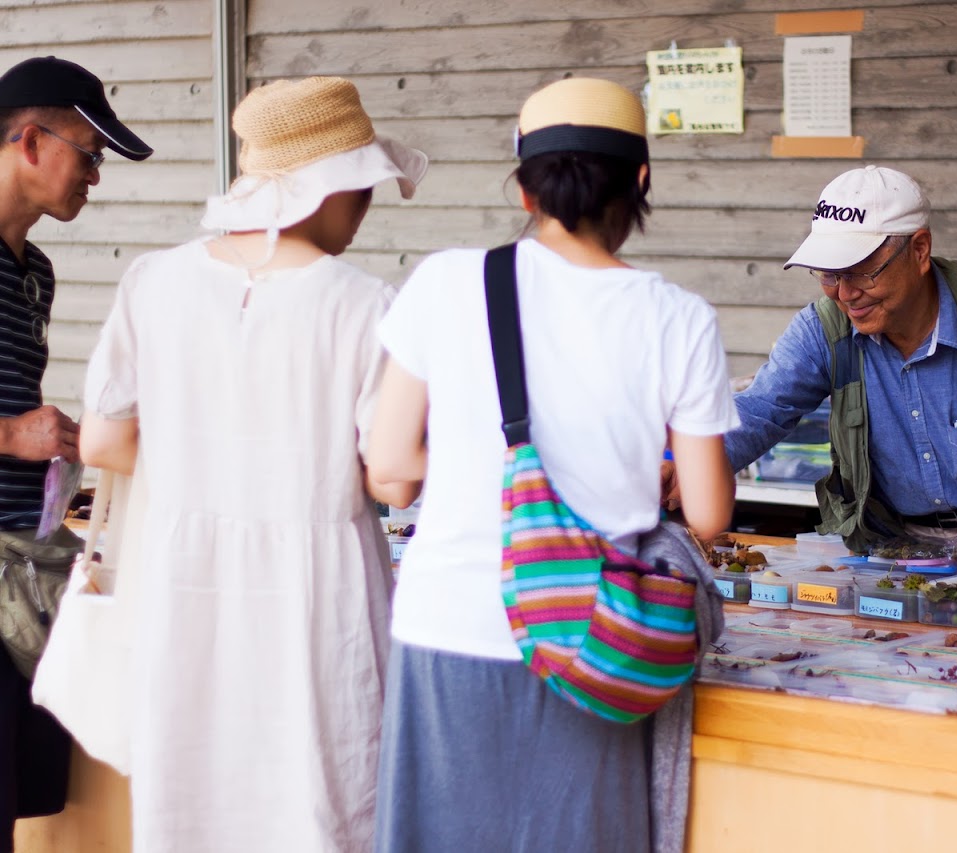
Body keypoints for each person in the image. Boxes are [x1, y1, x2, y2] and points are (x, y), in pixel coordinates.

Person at [365, 77, 737, 852]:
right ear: (640, 182)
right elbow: (707, 514)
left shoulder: (445, 280)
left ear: (525, 186)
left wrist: (475, 459)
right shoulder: (679, 317)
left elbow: (390, 465)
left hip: (447, 629)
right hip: (593, 639)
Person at [78, 76, 426, 852]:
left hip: (184, 586)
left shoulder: (153, 280)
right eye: (363, 185)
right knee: (324, 800)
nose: (367, 207)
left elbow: (101, 442)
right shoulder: (364, 303)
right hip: (319, 598)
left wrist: (207, 461)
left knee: (193, 803)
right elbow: (390, 477)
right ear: (326, 189)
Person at [671, 165, 957, 549]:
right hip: (890, 545)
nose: (845, 294)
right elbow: (761, 409)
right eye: (828, 274)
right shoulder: (823, 329)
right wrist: (680, 465)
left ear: (919, 251)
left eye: (861, 270)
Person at [0, 55, 152, 850]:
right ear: (29, 142)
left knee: (29, 806)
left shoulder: (37, 273)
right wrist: (9, 433)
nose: (96, 177)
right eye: (90, 155)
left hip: (22, 576)